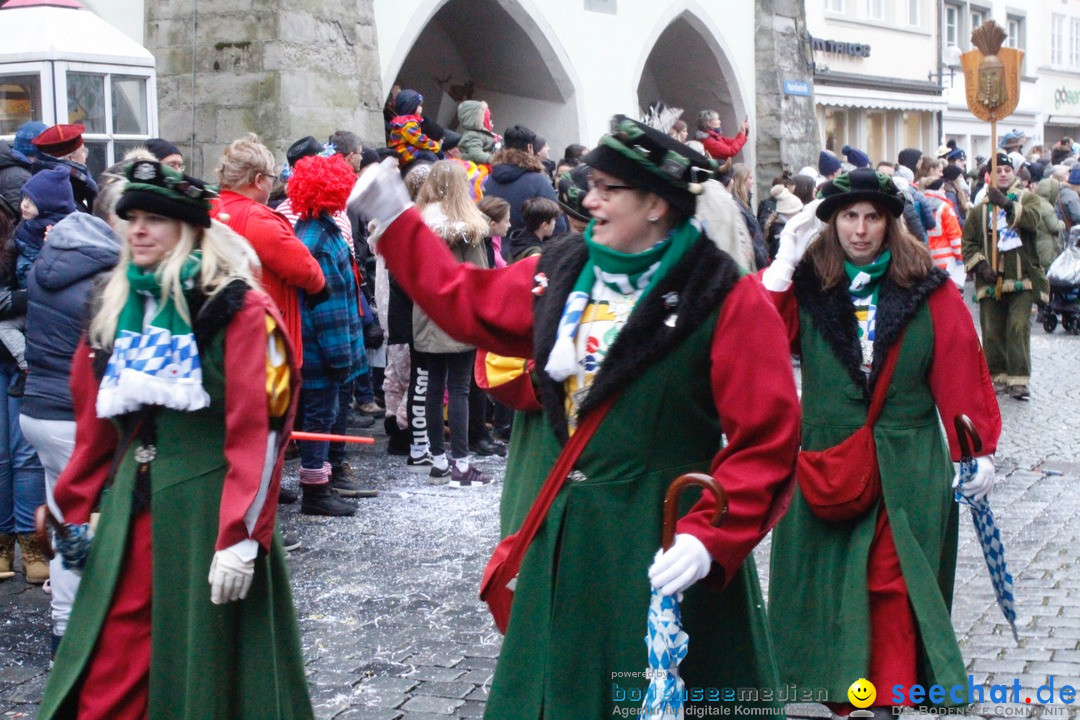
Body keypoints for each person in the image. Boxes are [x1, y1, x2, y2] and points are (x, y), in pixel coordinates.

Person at [356, 114, 801, 718]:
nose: (589, 199)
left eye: (608, 190)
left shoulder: (723, 296)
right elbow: (466, 303)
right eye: (592, 184)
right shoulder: (560, 271)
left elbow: (767, 440)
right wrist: (398, 221)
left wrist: (709, 537)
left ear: (656, 205)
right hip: (567, 542)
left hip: (660, 537)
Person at [37, 160, 313, 719]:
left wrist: (241, 535)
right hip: (127, 520)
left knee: (206, 677)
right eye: (131, 217)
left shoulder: (239, 308)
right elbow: (96, 429)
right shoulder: (114, 304)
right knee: (108, 669)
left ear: (188, 228)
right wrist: (74, 506)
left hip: (207, 518)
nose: (137, 229)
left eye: (155, 219)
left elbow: (261, 428)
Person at [760, 167, 1002, 718]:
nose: (861, 229)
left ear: (891, 223)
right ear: (832, 223)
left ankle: (887, 696)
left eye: (872, 217)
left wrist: (975, 448)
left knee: (891, 576)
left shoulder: (927, 287)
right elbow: (755, 336)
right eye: (849, 216)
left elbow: (960, 362)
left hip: (907, 459)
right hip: (830, 458)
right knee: (831, 580)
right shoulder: (808, 286)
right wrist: (781, 264)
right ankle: (842, 685)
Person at [19, 165, 123, 656]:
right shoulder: (105, 278)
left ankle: (65, 626)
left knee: (66, 520)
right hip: (72, 415)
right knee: (93, 525)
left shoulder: (49, 261)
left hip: (37, 409)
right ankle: (89, 633)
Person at [290, 154, 372, 513]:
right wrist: (342, 359)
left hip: (315, 347)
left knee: (319, 415)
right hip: (321, 350)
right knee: (319, 417)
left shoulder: (314, 229)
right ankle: (316, 491)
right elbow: (329, 308)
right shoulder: (321, 239)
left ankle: (319, 485)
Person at [211, 133, 328, 367]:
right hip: (264, 343)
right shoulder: (257, 219)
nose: (272, 185)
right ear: (257, 180)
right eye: (271, 179)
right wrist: (320, 288)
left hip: (221, 341)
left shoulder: (209, 208)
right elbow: (304, 268)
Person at [410, 161, 494, 486]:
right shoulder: (467, 227)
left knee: (434, 386)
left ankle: (438, 462)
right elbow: (479, 274)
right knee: (459, 388)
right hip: (457, 311)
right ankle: (461, 464)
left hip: (427, 311)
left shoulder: (417, 223)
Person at [961, 153, 1044, 400]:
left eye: (1008, 169)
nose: (1004, 174)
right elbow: (968, 243)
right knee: (991, 330)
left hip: (1022, 276)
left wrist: (1007, 205)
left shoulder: (1029, 199)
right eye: (998, 170)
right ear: (990, 175)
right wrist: (981, 265)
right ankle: (997, 377)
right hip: (990, 280)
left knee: (1018, 327)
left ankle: (1019, 380)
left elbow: (1033, 221)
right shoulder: (979, 210)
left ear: (1015, 173)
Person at [0, 200, 46, 584]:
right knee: (2, 455)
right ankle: (3, 544)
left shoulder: (17, 241)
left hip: (19, 363)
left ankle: (31, 542)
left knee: (24, 453)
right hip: (14, 355)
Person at [483, 124, 568, 241]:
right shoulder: (538, 181)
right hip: (529, 251)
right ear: (529, 148)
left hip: (494, 252)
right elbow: (558, 228)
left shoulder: (487, 180)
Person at [31, 124, 98, 213]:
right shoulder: (65, 190)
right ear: (70, 159)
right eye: (82, 152)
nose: (85, 156)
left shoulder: (42, 182)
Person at [388, 89, 441, 170]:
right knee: (429, 156)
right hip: (403, 153)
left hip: (406, 151)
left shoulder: (407, 121)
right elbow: (419, 140)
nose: (421, 108)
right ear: (410, 106)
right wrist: (435, 145)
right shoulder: (408, 123)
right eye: (419, 105)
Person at [506, 196, 561, 262]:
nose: (555, 223)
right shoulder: (535, 254)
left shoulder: (519, 240)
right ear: (545, 225)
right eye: (554, 220)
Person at [457, 99, 500, 165]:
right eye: (488, 120)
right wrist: (492, 159)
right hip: (473, 169)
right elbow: (475, 153)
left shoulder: (481, 134)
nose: (492, 125)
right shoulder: (473, 135)